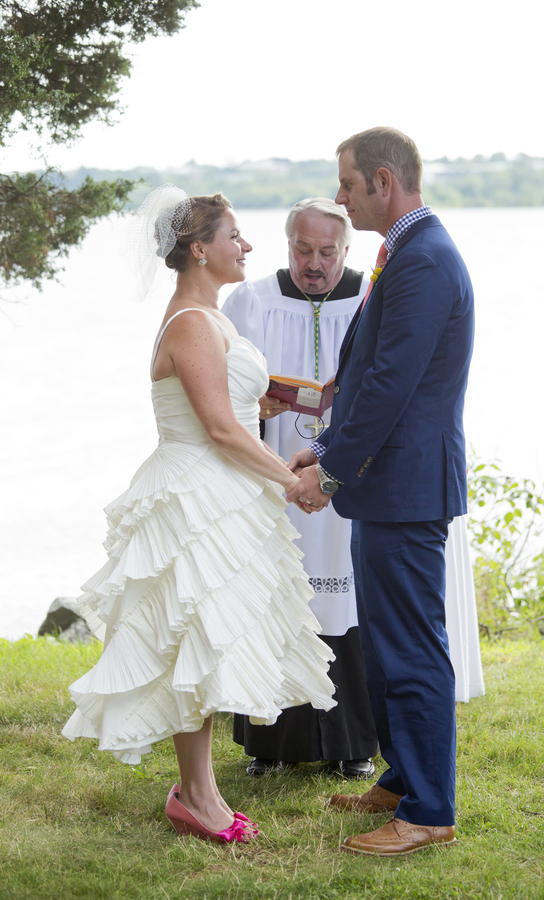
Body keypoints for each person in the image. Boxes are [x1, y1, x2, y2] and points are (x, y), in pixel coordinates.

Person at [62, 185, 337, 845]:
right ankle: (195, 796)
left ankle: (198, 791)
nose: (245, 246)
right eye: (234, 236)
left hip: (224, 493)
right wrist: (293, 481)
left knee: (208, 643)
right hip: (194, 493)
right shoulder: (188, 322)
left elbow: (230, 410)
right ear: (198, 249)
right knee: (195, 641)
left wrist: (266, 410)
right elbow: (216, 428)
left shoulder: (210, 318)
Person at [286, 127, 475, 856]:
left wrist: (329, 472)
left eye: (347, 184)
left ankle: (428, 811)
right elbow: (367, 367)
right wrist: (327, 445)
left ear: (384, 182)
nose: (339, 196)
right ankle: (402, 781)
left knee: (413, 650)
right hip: (388, 484)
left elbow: (394, 386)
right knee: (388, 648)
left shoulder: (424, 260)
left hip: (406, 486)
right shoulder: (404, 252)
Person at [222, 198, 378, 779]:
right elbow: (220, 389)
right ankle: (270, 745)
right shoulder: (251, 301)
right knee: (273, 598)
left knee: (348, 600)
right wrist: (256, 407)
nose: (314, 263)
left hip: (346, 484)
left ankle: (354, 743)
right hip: (272, 479)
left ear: (346, 249)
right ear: (288, 244)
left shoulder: (371, 299)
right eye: (302, 250)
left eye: (327, 252)